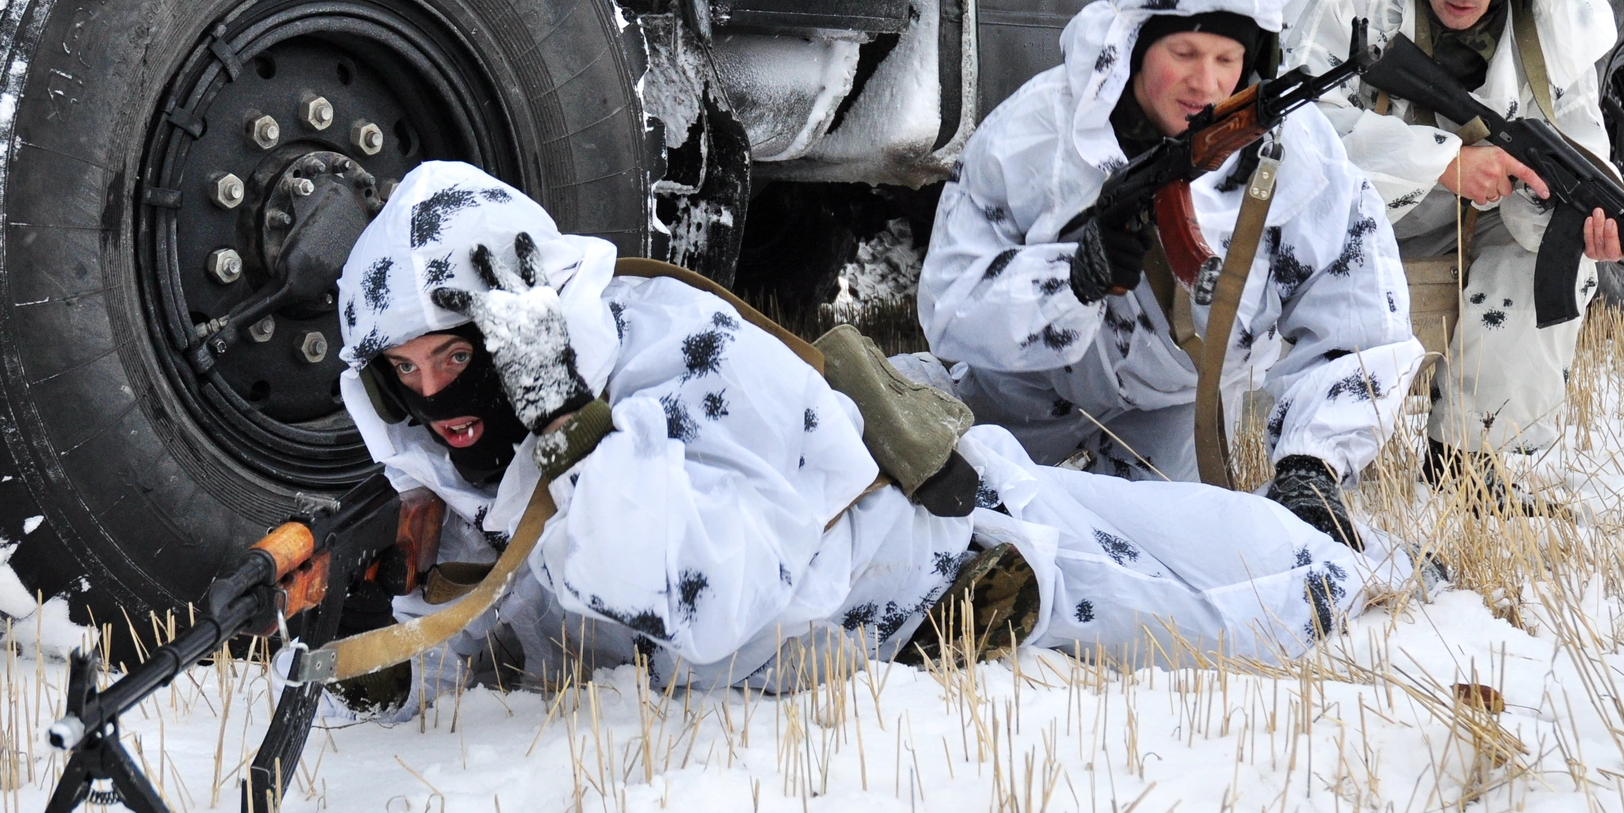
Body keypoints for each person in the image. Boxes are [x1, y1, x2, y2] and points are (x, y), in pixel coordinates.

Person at [331, 161, 1409, 714]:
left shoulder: (665, 353)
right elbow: (547, 599)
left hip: (942, 555)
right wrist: (402, 650)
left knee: (1213, 598)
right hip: (884, 616)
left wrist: (571, 427)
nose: (435, 398)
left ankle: (1361, 574)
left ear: (516, 328)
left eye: (453, 357)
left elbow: (699, 600)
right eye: (405, 373)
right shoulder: (483, 435)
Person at [916, 0, 1425, 545]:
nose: (1205, 83)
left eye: (1227, 58)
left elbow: (1363, 323)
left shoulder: (1302, 162)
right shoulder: (1037, 134)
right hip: (1023, 394)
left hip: (1172, 411)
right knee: (934, 504)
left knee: (1164, 552)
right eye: (1182, 52)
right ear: (1132, 45)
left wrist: (1312, 464)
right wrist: (1066, 280)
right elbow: (947, 301)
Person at [1280, 0, 1624, 508]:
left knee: (1548, 259)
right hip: (1351, 225)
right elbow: (1294, 127)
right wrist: (1445, 161)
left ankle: (1468, 457)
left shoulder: (1549, 29)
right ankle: (1312, 456)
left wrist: (1599, 228)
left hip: (1471, 230)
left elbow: (1582, 149)